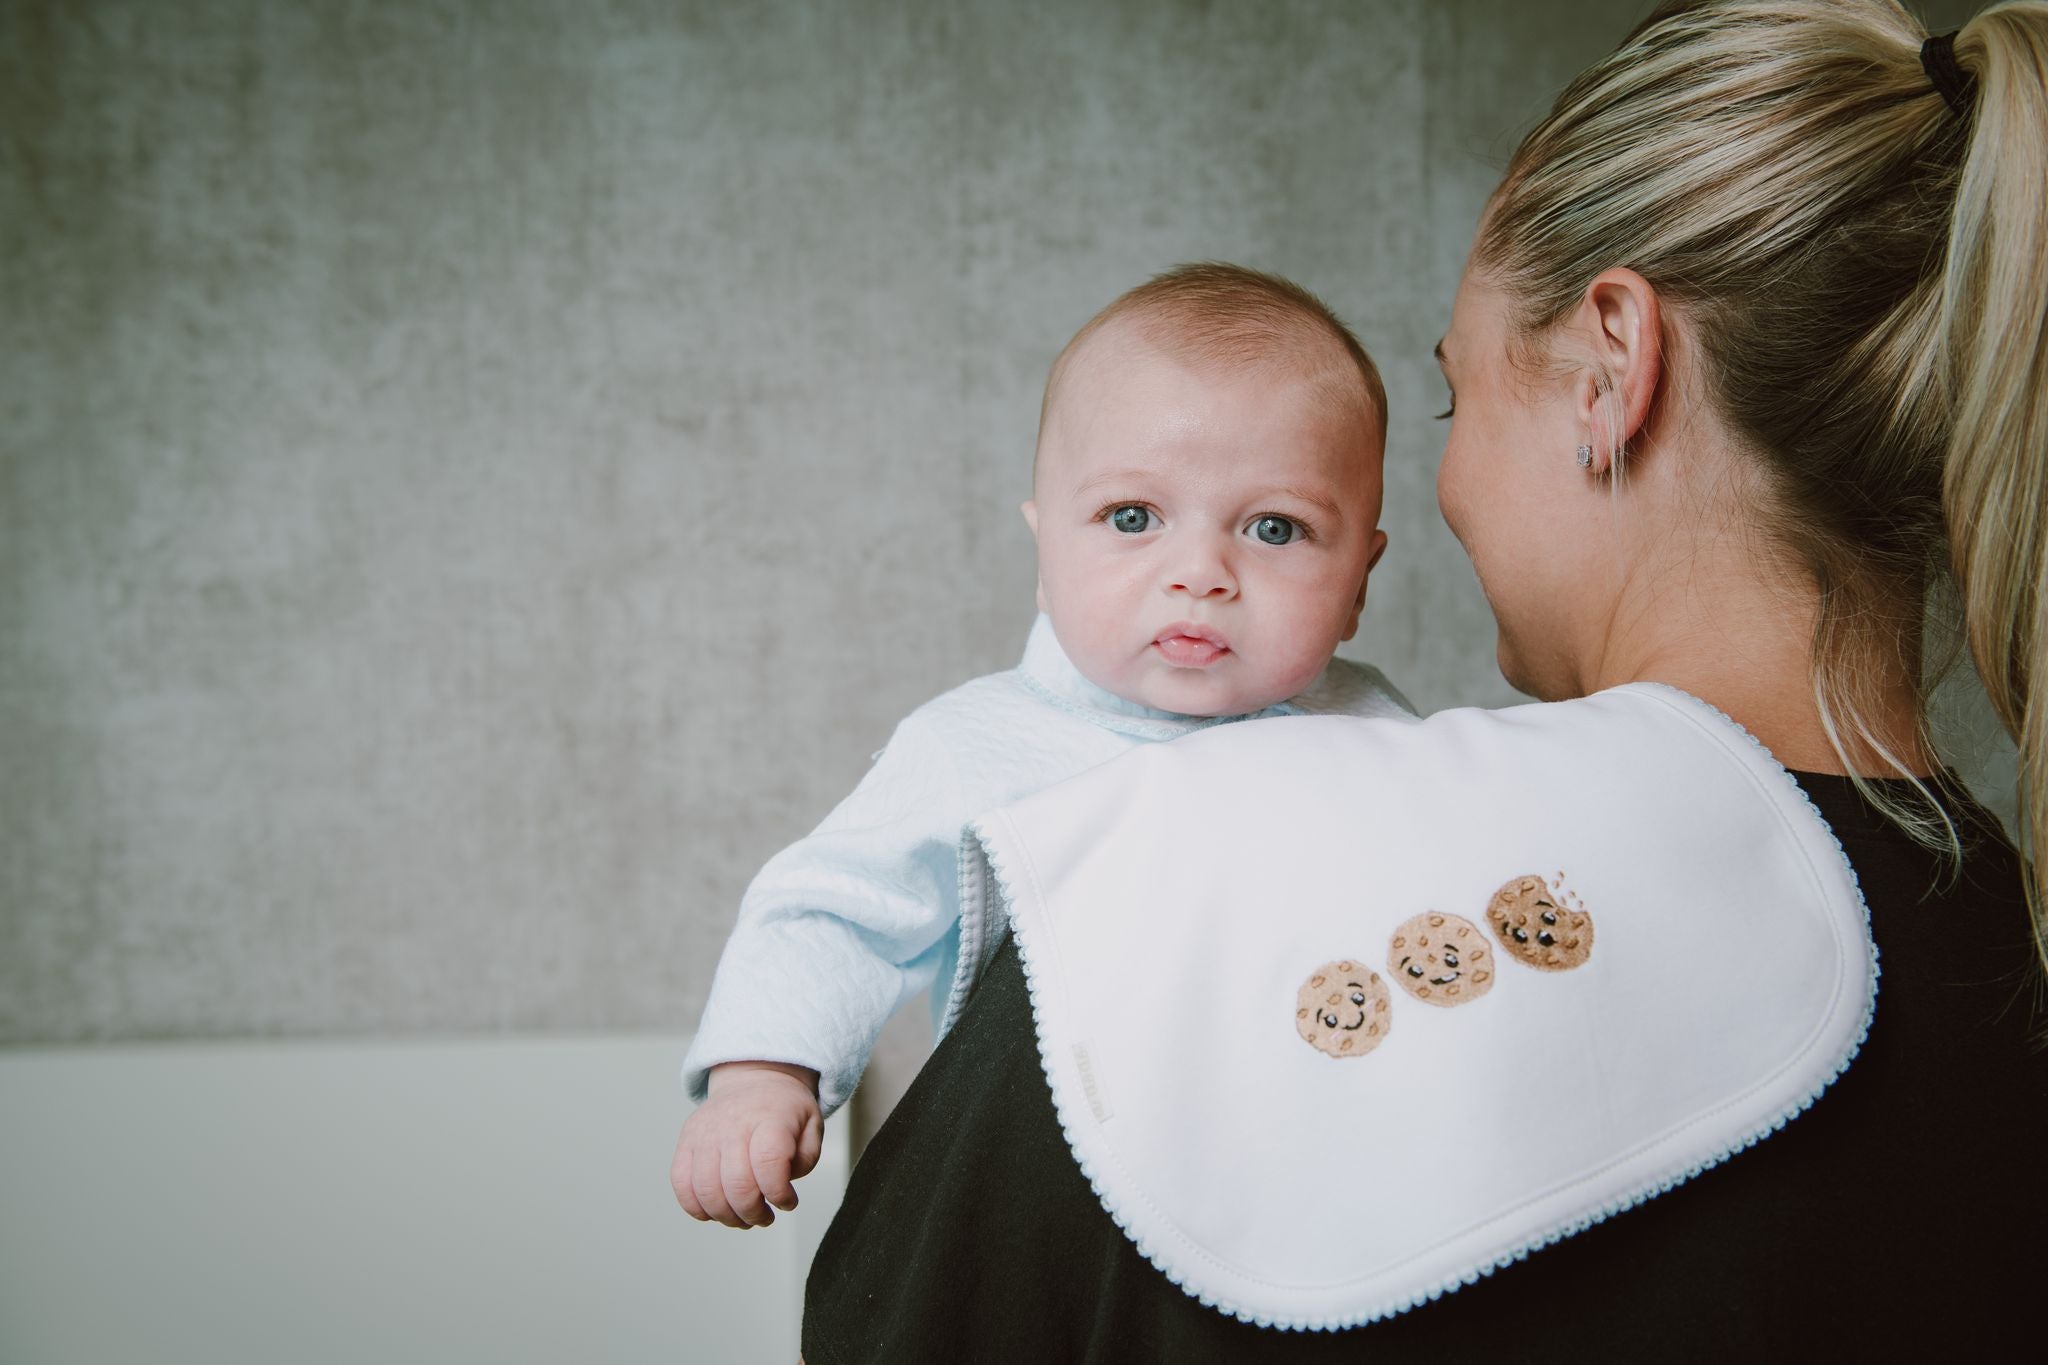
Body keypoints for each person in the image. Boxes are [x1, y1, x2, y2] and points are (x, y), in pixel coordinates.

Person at [799, 1, 2048, 1359]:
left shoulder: (1177, 884)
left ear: (1613, 369)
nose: (1447, 481)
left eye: (1457, 400)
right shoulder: (2011, 956)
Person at [671, 263, 1412, 1229]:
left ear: (1358, 580)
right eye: (1132, 518)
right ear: (1045, 553)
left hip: (1304, 1179)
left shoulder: (1379, 740)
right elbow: (838, 910)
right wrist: (764, 1071)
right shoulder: (979, 746)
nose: (1199, 573)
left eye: (1275, 527)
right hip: (1049, 1186)